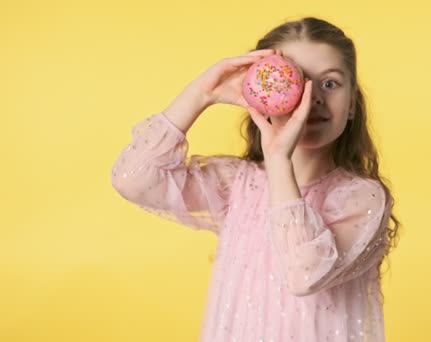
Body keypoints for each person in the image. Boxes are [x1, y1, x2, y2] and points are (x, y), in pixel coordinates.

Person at [111, 16, 400, 342]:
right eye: (296, 80)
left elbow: (305, 274)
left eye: (330, 83)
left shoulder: (362, 198)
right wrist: (202, 93)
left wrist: (278, 160)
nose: (313, 96)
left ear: (352, 105)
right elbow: (132, 178)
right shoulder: (238, 185)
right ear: (260, 98)